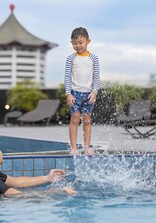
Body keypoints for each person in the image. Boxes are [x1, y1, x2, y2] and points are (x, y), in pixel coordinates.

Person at [0, 137, 76, 199]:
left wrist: (48, 178)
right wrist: (58, 192)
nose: (2, 153)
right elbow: (20, 196)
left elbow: (16, 182)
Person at [64, 27, 100, 156]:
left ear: (88, 41)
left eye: (80, 42)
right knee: (74, 119)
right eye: (74, 43)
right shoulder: (71, 59)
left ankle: (86, 147)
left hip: (88, 94)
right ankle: (73, 147)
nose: (77, 46)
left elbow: (96, 77)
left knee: (87, 120)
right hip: (74, 93)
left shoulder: (94, 58)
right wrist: (68, 94)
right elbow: (67, 77)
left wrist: (94, 92)